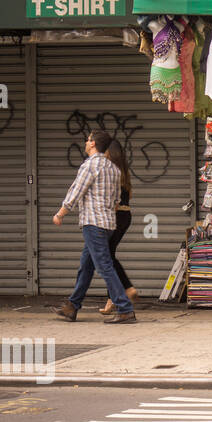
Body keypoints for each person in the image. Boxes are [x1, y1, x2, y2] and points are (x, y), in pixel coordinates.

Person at [52, 131, 135, 324]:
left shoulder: (90, 166)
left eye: (88, 139)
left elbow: (75, 192)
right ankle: (72, 306)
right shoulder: (114, 169)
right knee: (86, 266)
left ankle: (125, 309)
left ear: (93, 144)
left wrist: (60, 214)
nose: (86, 142)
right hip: (108, 224)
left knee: (104, 266)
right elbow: (116, 200)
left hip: (93, 224)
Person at [98, 139, 137, 315]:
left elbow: (112, 199)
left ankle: (126, 288)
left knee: (107, 258)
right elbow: (130, 194)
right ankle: (112, 298)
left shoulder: (111, 171)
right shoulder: (124, 172)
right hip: (126, 215)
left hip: (115, 215)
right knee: (108, 256)